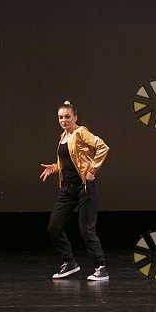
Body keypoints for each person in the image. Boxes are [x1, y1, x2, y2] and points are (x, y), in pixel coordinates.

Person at [39, 101, 110, 281]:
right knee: (54, 226)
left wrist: (92, 171)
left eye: (67, 117)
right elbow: (71, 160)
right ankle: (69, 262)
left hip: (84, 188)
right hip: (67, 189)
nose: (63, 120)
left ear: (75, 117)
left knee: (86, 230)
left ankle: (101, 267)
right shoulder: (63, 136)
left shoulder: (80, 132)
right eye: (60, 117)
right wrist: (55, 167)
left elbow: (102, 147)